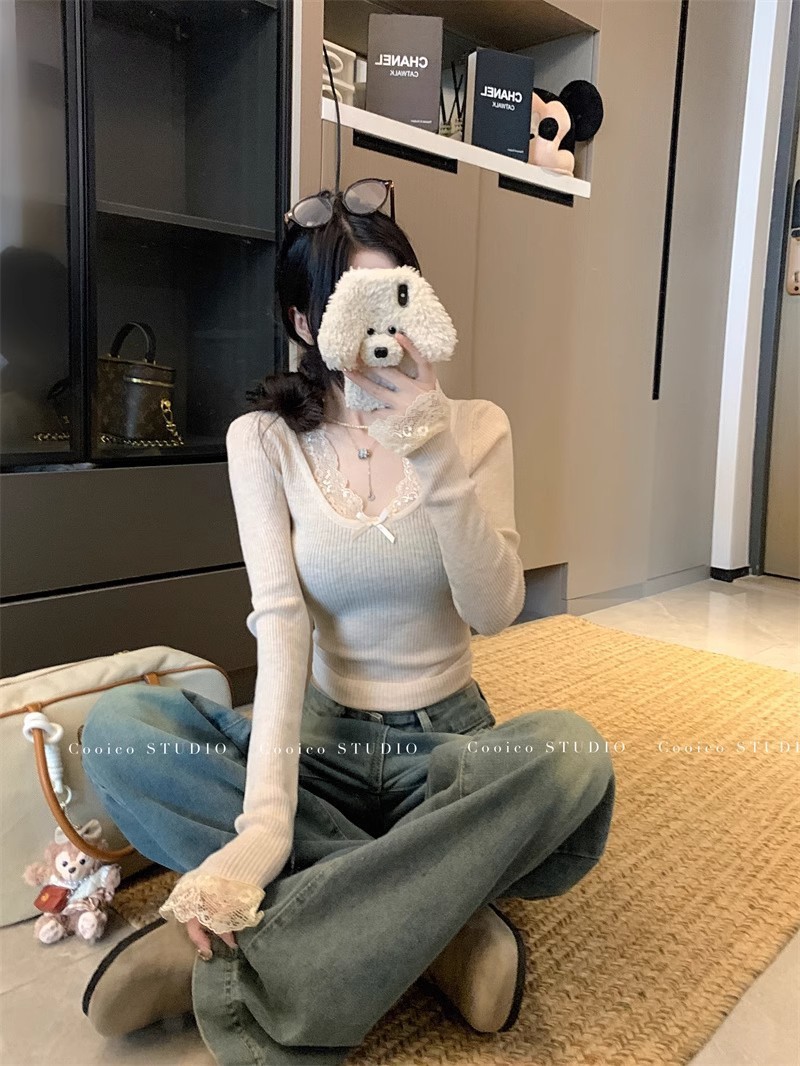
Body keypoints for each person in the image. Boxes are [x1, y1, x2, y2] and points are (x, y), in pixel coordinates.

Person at [80, 186, 616, 1065]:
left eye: (396, 295)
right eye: (353, 304)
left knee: (571, 756)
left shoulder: (478, 427)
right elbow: (281, 626)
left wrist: (430, 443)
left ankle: (275, 954)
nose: (382, 329)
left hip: (442, 749)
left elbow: (494, 611)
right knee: (120, 729)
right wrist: (264, 828)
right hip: (318, 742)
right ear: (304, 321)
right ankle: (438, 925)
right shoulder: (264, 440)